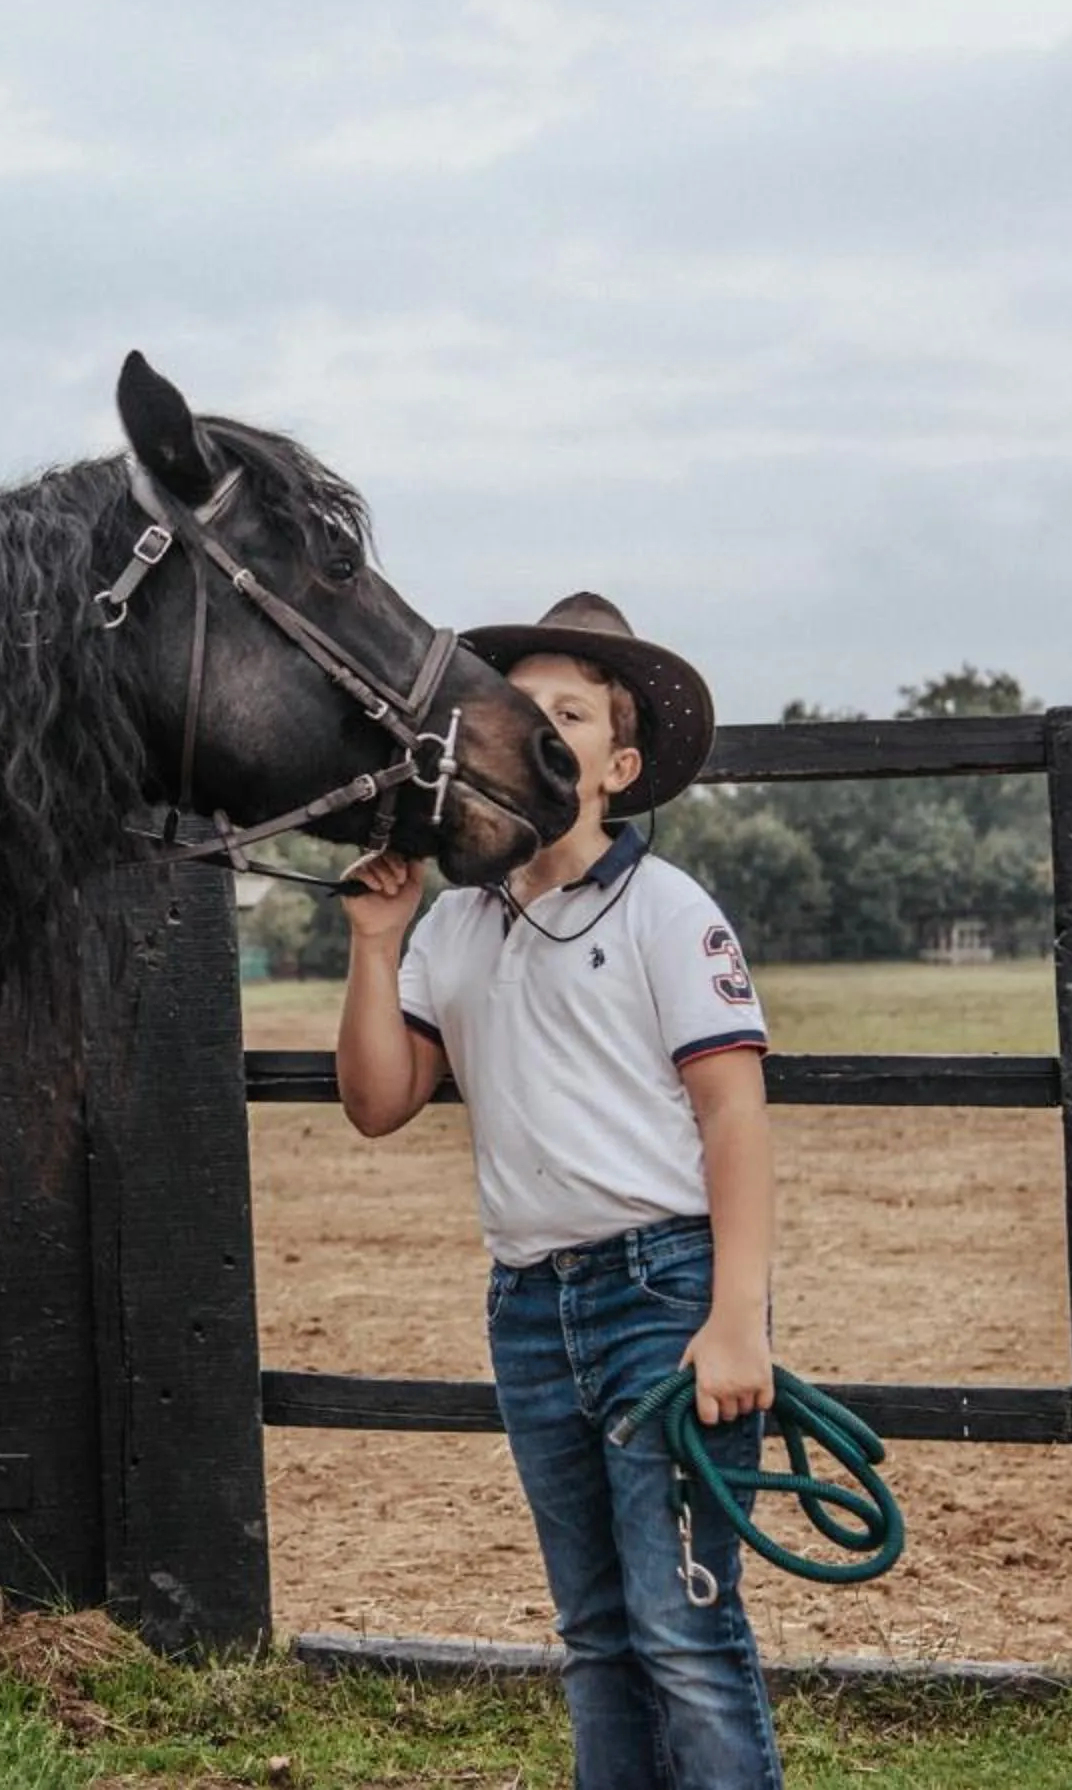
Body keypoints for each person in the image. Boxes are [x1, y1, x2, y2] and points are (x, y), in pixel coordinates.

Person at [336, 592, 780, 1788]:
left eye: (570, 710)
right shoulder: (458, 926)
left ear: (615, 763)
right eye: (522, 704)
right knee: (595, 1637)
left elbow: (732, 1114)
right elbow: (380, 1099)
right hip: (533, 1306)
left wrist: (735, 1320)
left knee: (682, 1626)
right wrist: (378, 945)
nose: (539, 723)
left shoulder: (666, 911)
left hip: (661, 1294)